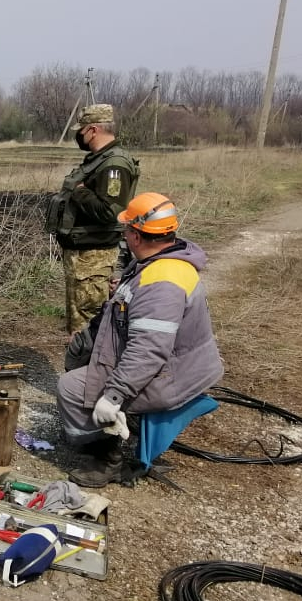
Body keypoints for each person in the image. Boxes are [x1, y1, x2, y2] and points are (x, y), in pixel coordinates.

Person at [56, 193, 224, 487]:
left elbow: (148, 352)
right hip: (179, 364)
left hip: (170, 376)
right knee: (81, 355)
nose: (124, 236)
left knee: (70, 388)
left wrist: (113, 396)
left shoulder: (161, 284)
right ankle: (114, 426)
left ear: (135, 235)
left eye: (126, 231)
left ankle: (107, 459)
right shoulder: (165, 260)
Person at [45, 103, 139, 333]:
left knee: (89, 326)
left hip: (94, 258)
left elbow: (111, 212)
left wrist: (79, 192)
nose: (79, 134)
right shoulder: (99, 159)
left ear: (93, 130)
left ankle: (89, 369)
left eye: (82, 129)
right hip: (82, 256)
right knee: (79, 324)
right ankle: (81, 366)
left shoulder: (113, 165)